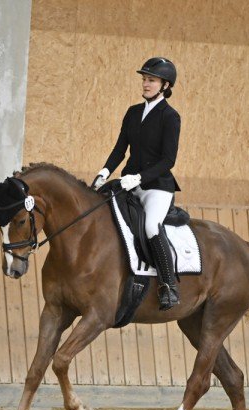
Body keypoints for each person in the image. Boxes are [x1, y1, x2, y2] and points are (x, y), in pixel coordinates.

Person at [92, 57, 181, 311]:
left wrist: (141, 178)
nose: (145, 83)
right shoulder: (133, 112)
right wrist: (105, 171)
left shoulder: (170, 117)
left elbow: (168, 160)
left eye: (151, 80)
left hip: (157, 186)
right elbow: (120, 148)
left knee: (152, 226)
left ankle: (168, 286)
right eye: (144, 79)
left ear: (165, 85)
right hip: (128, 181)